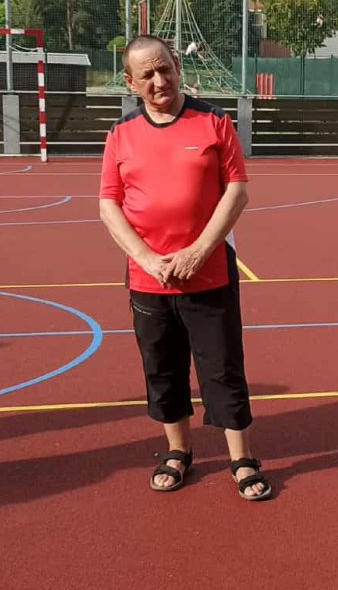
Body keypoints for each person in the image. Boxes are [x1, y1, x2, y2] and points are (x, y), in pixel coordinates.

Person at [99, 34, 273, 501]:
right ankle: (178, 451)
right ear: (130, 82)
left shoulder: (214, 122)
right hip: (149, 279)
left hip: (209, 272)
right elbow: (109, 205)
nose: (160, 80)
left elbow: (237, 191)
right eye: (147, 75)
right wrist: (147, 259)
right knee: (162, 369)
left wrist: (198, 251)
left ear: (177, 65)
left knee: (222, 367)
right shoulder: (121, 134)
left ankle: (242, 458)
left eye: (165, 68)